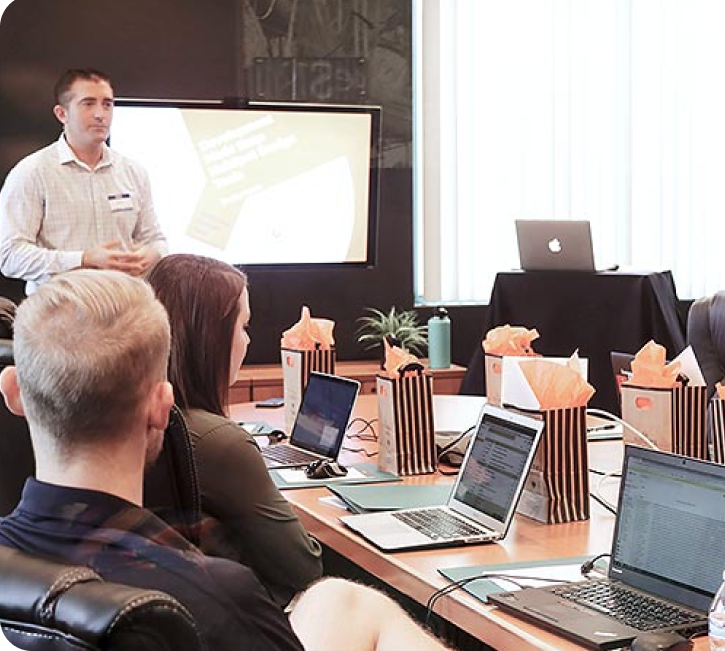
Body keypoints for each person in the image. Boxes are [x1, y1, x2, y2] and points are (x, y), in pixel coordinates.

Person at [0, 269, 450, 651]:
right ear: (161, 407)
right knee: (351, 602)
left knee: (339, 600)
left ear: (13, 392)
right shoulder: (219, 596)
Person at [145, 253, 322, 607]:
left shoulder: (136, 419)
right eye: (243, 327)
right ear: (210, 338)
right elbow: (304, 567)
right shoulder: (220, 442)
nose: (248, 341)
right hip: (249, 617)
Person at [0, 68, 166, 294]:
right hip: (61, 307)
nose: (100, 114)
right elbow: (9, 256)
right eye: (88, 104)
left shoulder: (133, 171)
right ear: (62, 114)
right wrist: (83, 259)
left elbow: (155, 239)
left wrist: (151, 254)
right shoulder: (32, 173)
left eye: (107, 104)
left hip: (126, 304)